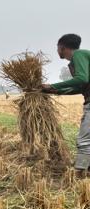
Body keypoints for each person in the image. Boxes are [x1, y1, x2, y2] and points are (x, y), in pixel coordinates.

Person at [42, 33, 90, 178]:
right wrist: (56, 90)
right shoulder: (81, 57)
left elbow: (81, 78)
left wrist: (52, 85)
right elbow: (80, 86)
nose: (57, 51)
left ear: (62, 47)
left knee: (84, 140)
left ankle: (81, 173)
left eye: (57, 48)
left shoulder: (79, 54)